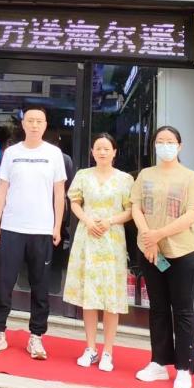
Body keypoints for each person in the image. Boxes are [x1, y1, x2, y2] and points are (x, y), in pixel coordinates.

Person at [0, 106, 67, 360]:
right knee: (4, 282)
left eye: (39, 121)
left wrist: (57, 226)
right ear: (23, 124)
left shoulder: (54, 154)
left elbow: (59, 193)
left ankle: (36, 336)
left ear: (45, 125)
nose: (34, 125)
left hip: (42, 229)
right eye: (30, 120)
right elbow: (2, 189)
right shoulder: (12, 153)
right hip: (11, 227)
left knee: (40, 285)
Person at [131, 125, 194, 388]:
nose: (165, 145)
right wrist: (149, 238)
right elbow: (136, 207)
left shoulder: (190, 178)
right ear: (154, 145)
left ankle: (184, 369)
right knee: (158, 309)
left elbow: (191, 215)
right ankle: (159, 362)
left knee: (183, 311)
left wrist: (158, 235)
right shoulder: (145, 175)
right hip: (151, 252)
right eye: (160, 141)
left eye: (170, 141)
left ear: (179, 146)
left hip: (182, 253)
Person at [63, 133, 134, 372]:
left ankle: (108, 352)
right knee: (90, 296)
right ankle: (90, 348)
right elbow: (74, 202)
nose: (102, 152)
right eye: (98, 148)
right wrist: (87, 220)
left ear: (114, 152)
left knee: (111, 298)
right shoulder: (83, 175)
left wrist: (110, 221)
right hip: (88, 239)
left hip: (112, 241)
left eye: (107, 148)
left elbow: (130, 210)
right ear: (92, 152)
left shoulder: (125, 179)